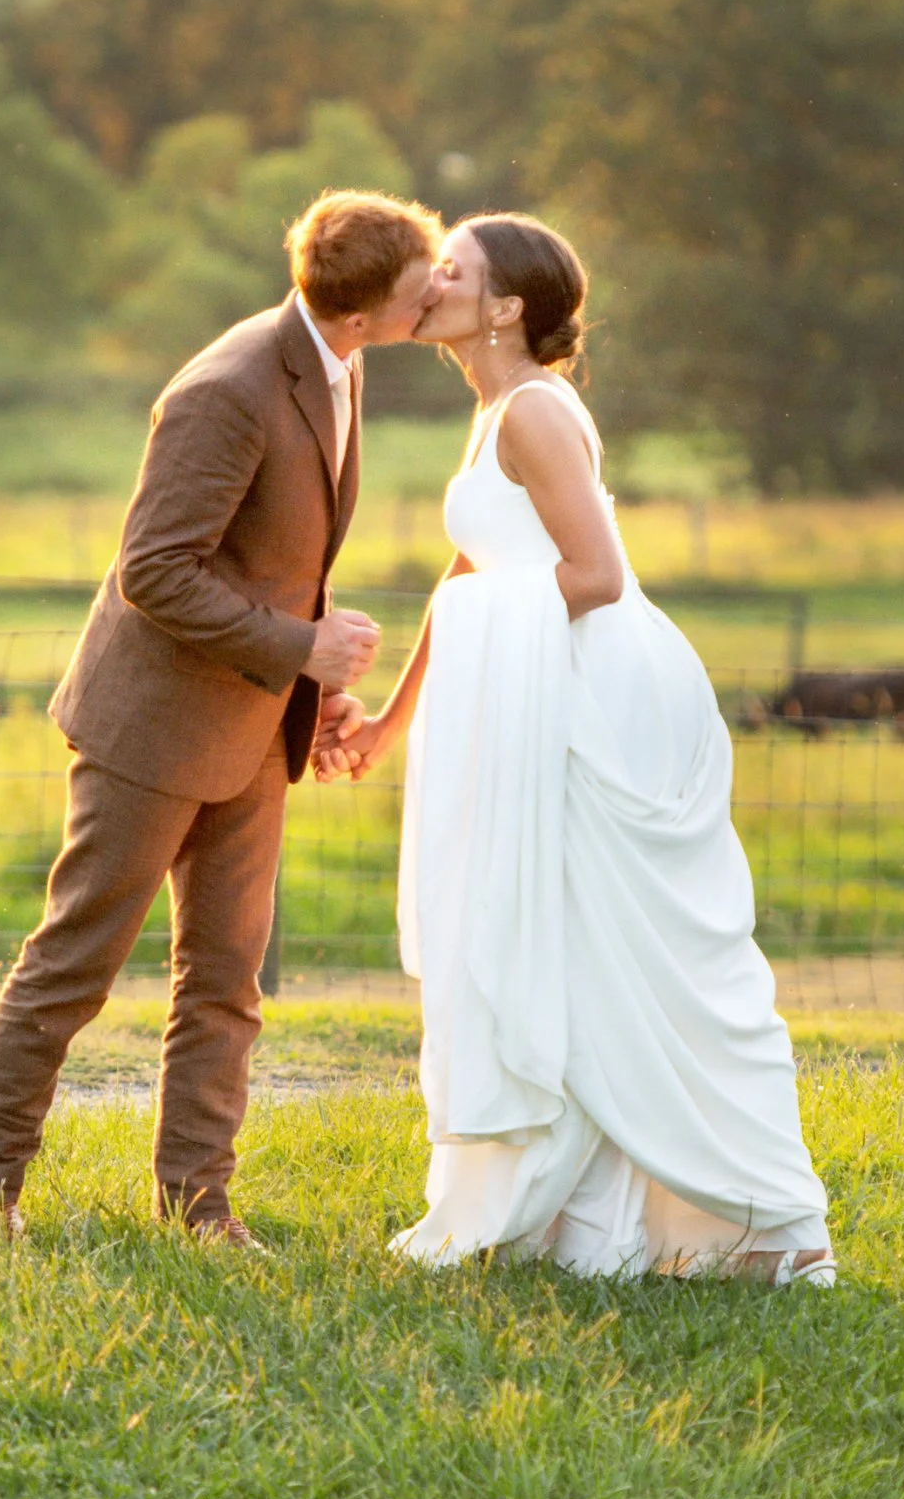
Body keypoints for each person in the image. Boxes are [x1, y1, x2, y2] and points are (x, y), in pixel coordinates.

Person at [327, 215, 832, 1284]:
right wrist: (389, 721)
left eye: (452, 271)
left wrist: (475, 651)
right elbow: (468, 578)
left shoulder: (537, 414)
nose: (429, 282)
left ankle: (752, 1218)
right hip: (541, 684)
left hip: (596, 697)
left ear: (507, 306)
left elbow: (596, 576)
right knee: (557, 950)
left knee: (622, 956)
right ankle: (579, 1215)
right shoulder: (490, 414)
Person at [0, 188, 442, 1247]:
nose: (438, 296)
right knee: (73, 964)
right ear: (363, 311)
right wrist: (298, 649)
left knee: (227, 982)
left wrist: (311, 693)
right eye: (421, 287)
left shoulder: (337, 363)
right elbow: (154, 571)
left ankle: (198, 1209)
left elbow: (270, 561)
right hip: (153, 728)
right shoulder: (227, 388)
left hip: (252, 732)